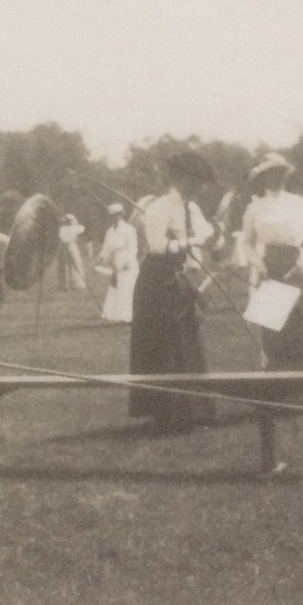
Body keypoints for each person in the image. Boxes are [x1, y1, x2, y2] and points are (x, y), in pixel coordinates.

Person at [129, 152, 216, 432]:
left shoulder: (192, 209)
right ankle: (166, 412)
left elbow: (206, 235)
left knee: (187, 341)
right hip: (156, 283)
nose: (199, 187)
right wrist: (192, 240)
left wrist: (215, 237)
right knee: (165, 344)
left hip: (178, 279)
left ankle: (193, 410)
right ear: (182, 178)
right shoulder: (159, 208)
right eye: (195, 181)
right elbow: (156, 246)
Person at [239, 153, 303, 373]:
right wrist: (259, 265)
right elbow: (246, 243)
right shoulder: (254, 208)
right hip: (270, 268)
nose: (278, 178)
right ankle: (278, 388)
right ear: (263, 178)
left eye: (281, 173)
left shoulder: (298, 203)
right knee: (274, 332)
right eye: (272, 174)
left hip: (301, 267)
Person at [93, 202, 139, 323]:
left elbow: (133, 247)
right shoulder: (110, 231)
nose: (113, 218)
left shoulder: (129, 229)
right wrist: (98, 261)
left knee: (127, 287)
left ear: (121, 215)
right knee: (116, 286)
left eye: (116, 215)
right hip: (116, 261)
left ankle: (128, 315)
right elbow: (106, 249)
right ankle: (116, 314)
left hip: (127, 262)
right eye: (111, 216)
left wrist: (128, 261)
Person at [57, 214, 86, 290]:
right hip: (64, 246)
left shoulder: (75, 228)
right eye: (67, 220)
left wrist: (75, 223)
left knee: (77, 264)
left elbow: (82, 228)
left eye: (69, 220)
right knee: (64, 265)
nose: (67, 222)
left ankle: (79, 284)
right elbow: (61, 236)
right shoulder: (62, 228)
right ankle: (64, 285)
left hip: (72, 246)